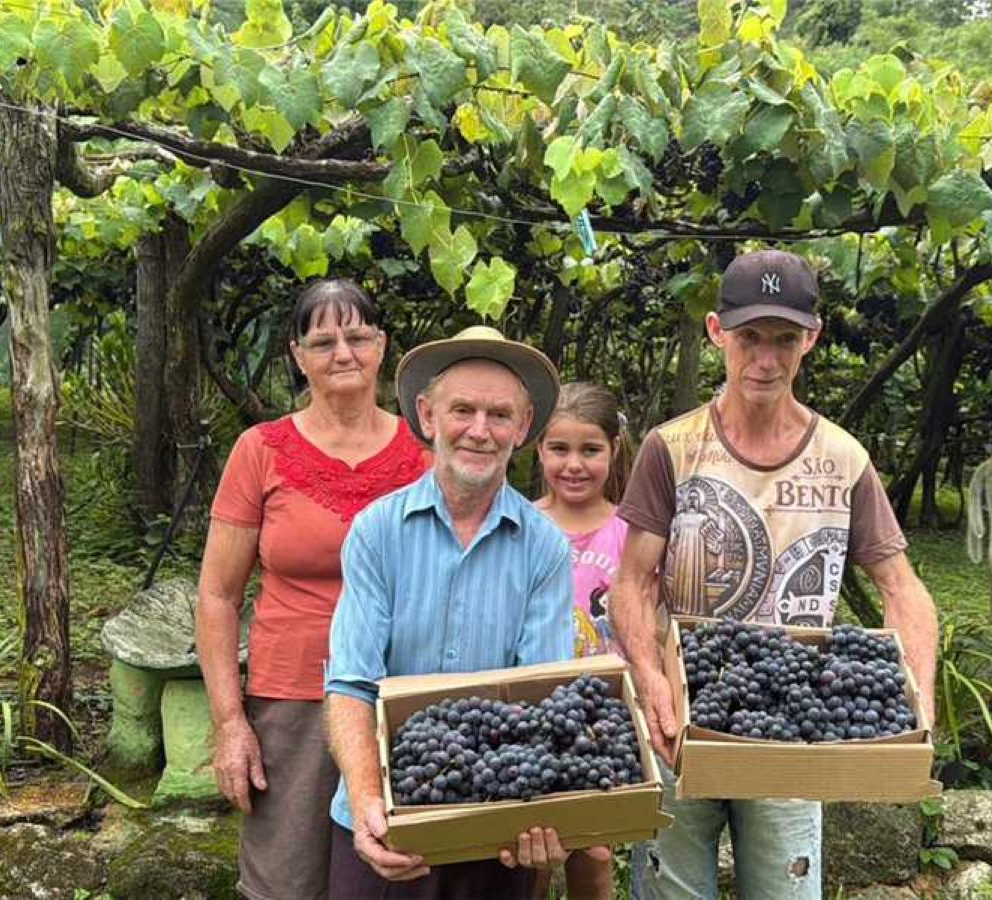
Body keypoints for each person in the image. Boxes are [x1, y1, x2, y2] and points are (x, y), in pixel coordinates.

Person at [610, 250, 939, 900]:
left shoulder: (843, 458)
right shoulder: (670, 448)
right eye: (749, 337)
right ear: (715, 332)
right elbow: (633, 582)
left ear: (810, 339)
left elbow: (903, 588)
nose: (765, 359)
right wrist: (650, 679)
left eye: (784, 339)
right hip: (686, 711)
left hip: (794, 723)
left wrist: (917, 701)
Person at [325, 325, 607, 899]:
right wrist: (367, 801)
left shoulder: (544, 548)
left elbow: (539, 694)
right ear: (428, 416)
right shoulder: (377, 532)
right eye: (463, 410)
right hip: (389, 811)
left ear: (523, 428)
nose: (480, 431)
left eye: (500, 415)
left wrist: (538, 808)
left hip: (496, 823)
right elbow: (352, 682)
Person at [196, 279, 429, 900]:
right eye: (323, 341)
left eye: (357, 336)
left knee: (392, 874)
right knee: (285, 880)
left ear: (382, 345)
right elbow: (217, 595)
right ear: (298, 355)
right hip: (291, 700)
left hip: (400, 699)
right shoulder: (260, 451)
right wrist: (228, 723)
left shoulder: (425, 452)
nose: (343, 353)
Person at [532, 382, 635, 899]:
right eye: (559, 448)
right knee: (523, 848)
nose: (574, 464)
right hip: (529, 708)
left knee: (592, 851)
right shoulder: (522, 524)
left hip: (602, 717)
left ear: (613, 450)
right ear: (538, 449)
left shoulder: (630, 532)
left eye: (590, 450)